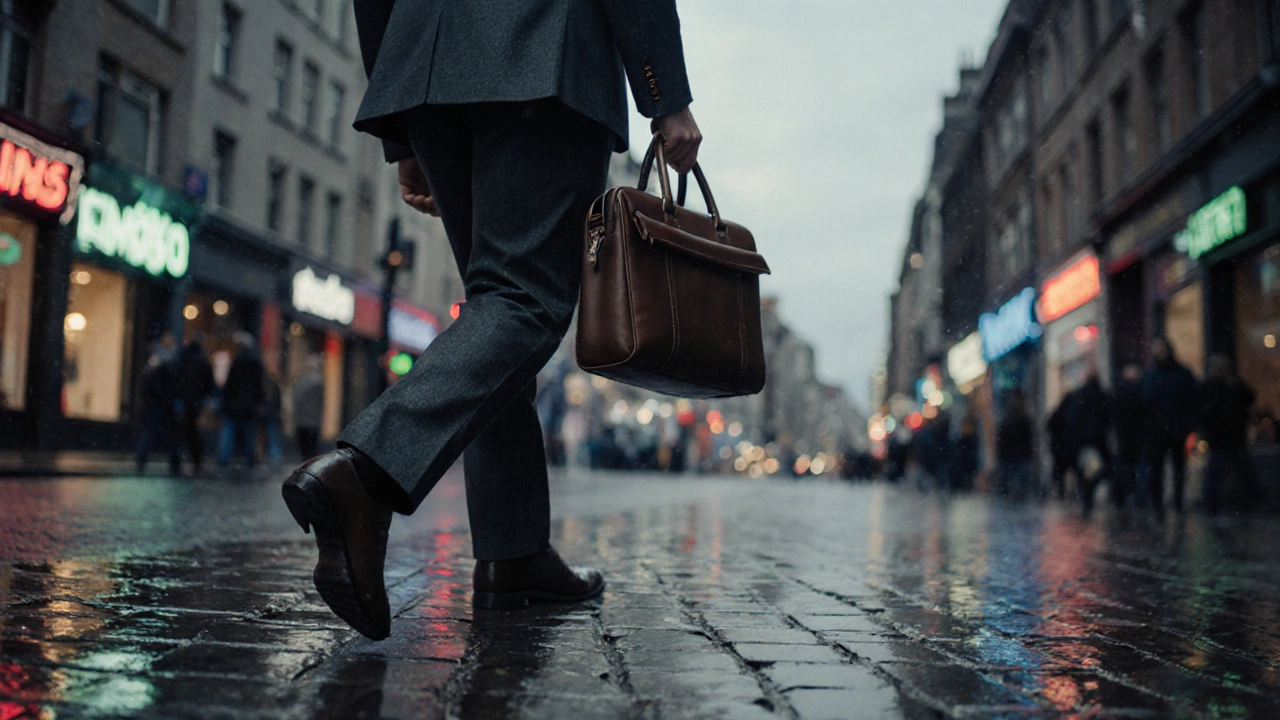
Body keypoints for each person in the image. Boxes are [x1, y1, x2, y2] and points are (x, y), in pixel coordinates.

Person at [281, 0, 702, 640]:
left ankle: (514, 552)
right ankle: (364, 472)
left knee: (495, 311)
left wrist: (403, 130)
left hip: (426, 62)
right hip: (540, 51)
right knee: (524, 301)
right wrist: (664, 93)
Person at [1139, 337, 1199, 515]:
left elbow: (1191, 400)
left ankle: (1177, 503)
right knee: (1157, 470)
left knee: (1178, 468)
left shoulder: (1180, 374)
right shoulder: (1151, 375)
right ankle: (1158, 505)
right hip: (1157, 431)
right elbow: (1144, 403)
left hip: (1175, 429)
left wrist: (1188, 424)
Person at [1200, 354, 1265, 513]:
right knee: (1220, 470)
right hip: (1224, 436)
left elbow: (1249, 396)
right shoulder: (1215, 385)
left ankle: (1249, 500)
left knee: (1234, 469)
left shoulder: (1231, 385)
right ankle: (1213, 502)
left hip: (1231, 435)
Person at [170, 335, 215, 476]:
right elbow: (209, 383)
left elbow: (174, 379)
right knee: (192, 434)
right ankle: (196, 462)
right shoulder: (202, 362)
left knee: (180, 434)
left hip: (182, 401)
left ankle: (176, 462)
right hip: (194, 402)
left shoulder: (182, 360)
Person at [219, 332, 265, 468]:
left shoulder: (237, 361)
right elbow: (259, 385)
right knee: (248, 434)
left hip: (234, 404)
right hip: (249, 405)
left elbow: (230, 384)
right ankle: (250, 459)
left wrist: (225, 401)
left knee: (229, 432)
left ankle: (224, 459)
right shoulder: (255, 362)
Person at [1069, 371, 1112, 513]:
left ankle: (1087, 497)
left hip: (1083, 441)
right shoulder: (1102, 395)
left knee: (1084, 471)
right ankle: (1090, 493)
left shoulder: (1079, 395)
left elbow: (1073, 420)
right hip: (1098, 439)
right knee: (1105, 468)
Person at [135, 346, 178, 474]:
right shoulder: (167, 370)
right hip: (162, 408)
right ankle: (174, 465)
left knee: (149, 435)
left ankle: (141, 462)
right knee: (169, 437)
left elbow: (146, 389)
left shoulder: (153, 370)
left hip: (155, 408)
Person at [1110, 363, 1145, 508]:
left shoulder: (1126, 391)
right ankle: (1129, 495)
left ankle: (1129, 495)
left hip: (1132, 436)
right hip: (1128, 436)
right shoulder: (1126, 391)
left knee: (1129, 467)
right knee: (1128, 467)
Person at [997, 390, 1035, 499]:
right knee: (1017, 478)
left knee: (1016, 478)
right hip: (1015, 454)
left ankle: (1014, 495)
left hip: (1015, 455)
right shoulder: (1019, 418)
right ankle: (1016, 495)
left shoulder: (1010, 418)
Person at [1045, 392, 1078, 501]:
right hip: (1069, 449)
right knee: (1073, 471)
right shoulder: (1072, 414)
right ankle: (1070, 492)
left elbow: (1049, 427)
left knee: (1060, 473)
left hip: (1061, 450)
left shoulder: (1060, 413)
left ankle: (1061, 492)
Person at [292, 356, 325, 460]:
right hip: (313, 420)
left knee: (305, 447)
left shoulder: (303, 380)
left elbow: (297, 397)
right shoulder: (319, 380)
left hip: (303, 419)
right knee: (311, 447)